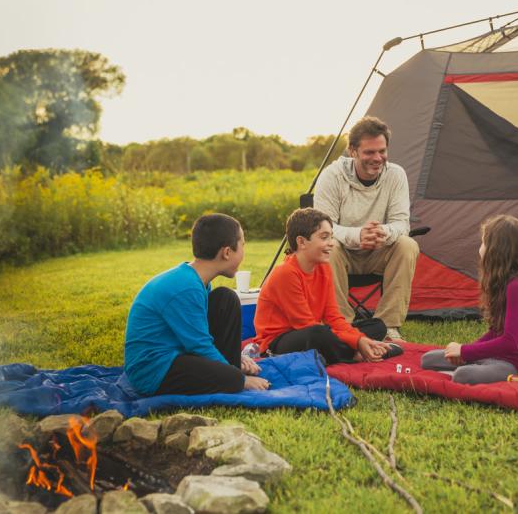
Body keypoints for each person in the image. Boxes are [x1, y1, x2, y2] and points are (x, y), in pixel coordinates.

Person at [124, 213, 269, 396]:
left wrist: (236, 358)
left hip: (177, 353)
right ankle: (231, 374)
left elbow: (203, 332)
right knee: (233, 379)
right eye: (242, 245)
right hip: (155, 371)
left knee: (226, 298)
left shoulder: (198, 280)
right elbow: (199, 345)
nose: (243, 252)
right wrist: (239, 380)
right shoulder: (186, 287)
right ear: (227, 252)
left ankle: (230, 368)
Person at [314, 116, 419, 340]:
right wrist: (357, 235)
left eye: (382, 151)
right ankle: (342, 325)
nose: (377, 158)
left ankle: (388, 325)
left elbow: (402, 223)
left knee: (407, 245)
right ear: (352, 151)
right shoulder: (332, 176)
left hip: (378, 251)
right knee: (327, 246)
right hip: (342, 253)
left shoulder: (396, 175)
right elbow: (324, 227)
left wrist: (383, 233)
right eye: (369, 152)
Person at [421, 215, 518, 384]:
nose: (480, 248)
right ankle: (478, 365)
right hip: (498, 357)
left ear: (497, 250)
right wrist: (465, 352)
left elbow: (510, 342)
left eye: (483, 242)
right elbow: (495, 332)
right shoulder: (507, 282)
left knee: (462, 375)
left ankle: (478, 368)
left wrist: (464, 352)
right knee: (428, 359)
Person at [253, 208, 397, 365]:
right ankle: (355, 354)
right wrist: (357, 341)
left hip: (312, 332)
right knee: (318, 334)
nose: (332, 243)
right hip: (277, 343)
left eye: (331, 237)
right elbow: (305, 325)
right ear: (301, 242)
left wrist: (360, 339)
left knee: (377, 326)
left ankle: (354, 350)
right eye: (324, 237)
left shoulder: (323, 267)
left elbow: (333, 317)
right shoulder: (286, 273)